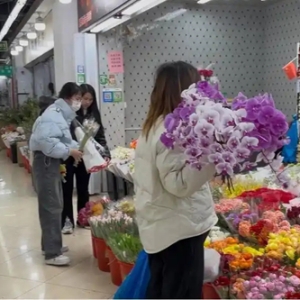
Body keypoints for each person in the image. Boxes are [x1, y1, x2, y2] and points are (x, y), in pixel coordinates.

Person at [134, 61, 218, 299]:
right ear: (185, 89)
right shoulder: (173, 131)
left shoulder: (154, 125)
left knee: (161, 287)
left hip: (162, 223)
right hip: (180, 228)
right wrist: (213, 155)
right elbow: (179, 185)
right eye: (197, 85)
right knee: (180, 291)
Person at [30, 82, 83, 266]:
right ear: (68, 98)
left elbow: (63, 139)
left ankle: (50, 245)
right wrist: (70, 151)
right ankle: (52, 253)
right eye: (77, 99)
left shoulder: (60, 115)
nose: (79, 103)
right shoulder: (53, 115)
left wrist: (78, 148)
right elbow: (47, 142)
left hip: (49, 162)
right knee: (51, 206)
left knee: (53, 204)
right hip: (46, 162)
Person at [61, 83, 111, 234]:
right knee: (66, 189)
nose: (87, 102)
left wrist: (105, 153)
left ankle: (83, 218)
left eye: (90, 99)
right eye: (84, 98)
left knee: (83, 189)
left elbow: (100, 136)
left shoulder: (94, 115)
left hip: (86, 158)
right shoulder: (69, 114)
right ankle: (66, 221)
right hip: (69, 156)